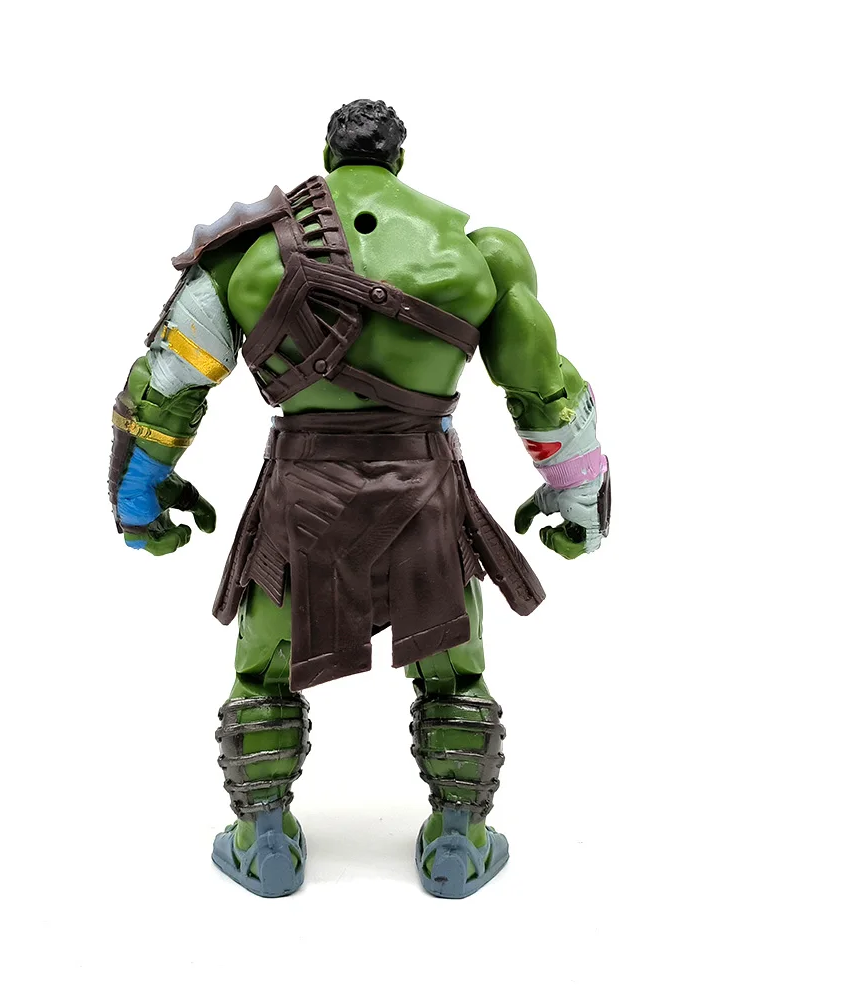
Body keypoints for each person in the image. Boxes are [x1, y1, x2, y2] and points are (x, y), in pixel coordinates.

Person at [107, 98, 610, 899]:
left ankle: (264, 842)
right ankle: (458, 844)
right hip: (426, 496)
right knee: (454, 677)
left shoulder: (247, 255)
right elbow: (543, 387)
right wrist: (580, 497)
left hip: (301, 498)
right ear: (399, 160)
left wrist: (138, 497)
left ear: (327, 155)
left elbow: (166, 385)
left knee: (264, 677)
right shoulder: (480, 255)